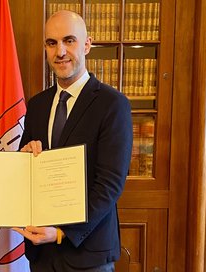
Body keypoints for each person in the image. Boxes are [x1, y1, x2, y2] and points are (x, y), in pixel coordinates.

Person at [13, 10, 133, 272]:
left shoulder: (113, 105)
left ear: (87, 44)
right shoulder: (37, 105)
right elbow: (27, 174)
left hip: (88, 254)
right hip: (42, 254)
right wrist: (26, 157)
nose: (60, 52)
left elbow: (110, 185)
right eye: (52, 43)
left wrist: (60, 232)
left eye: (69, 41)